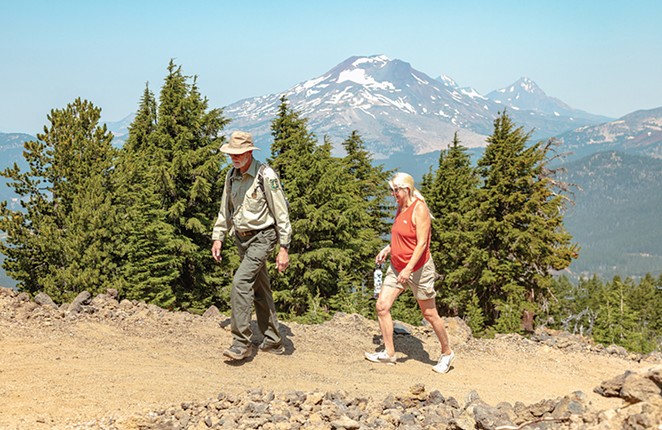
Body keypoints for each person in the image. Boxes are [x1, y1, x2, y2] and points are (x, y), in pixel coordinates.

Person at [211, 131, 292, 361]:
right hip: (241, 238)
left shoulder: (265, 175)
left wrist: (284, 246)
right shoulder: (231, 176)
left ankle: (241, 343)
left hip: (263, 237)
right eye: (231, 154)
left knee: (241, 282)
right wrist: (219, 236)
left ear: (248, 152)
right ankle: (274, 340)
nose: (234, 158)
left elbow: (281, 212)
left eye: (238, 154)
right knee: (260, 287)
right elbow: (225, 209)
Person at [364, 172, 455, 373]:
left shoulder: (419, 209)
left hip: (419, 268)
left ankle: (447, 353)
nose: (392, 194)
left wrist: (408, 269)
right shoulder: (400, 207)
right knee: (382, 306)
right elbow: (403, 237)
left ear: (406, 189)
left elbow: (422, 243)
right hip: (397, 266)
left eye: (395, 190)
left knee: (429, 313)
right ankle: (389, 353)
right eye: (391, 190)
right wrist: (388, 249)